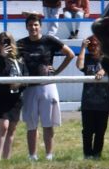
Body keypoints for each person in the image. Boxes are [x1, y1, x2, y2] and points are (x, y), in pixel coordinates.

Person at [16, 11, 73, 160]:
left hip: (47, 85)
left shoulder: (49, 40)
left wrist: (57, 71)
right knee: (31, 124)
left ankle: (49, 154)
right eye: (30, 25)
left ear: (40, 27)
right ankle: (32, 155)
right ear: (26, 27)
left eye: (35, 25)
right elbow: (10, 60)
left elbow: (70, 54)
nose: (33, 27)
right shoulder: (21, 44)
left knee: (48, 123)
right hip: (29, 87)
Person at [0, 31, 24, 159]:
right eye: (2, 41)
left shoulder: (19, 59)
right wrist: (2, 57)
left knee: (11, 130)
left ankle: (7, 159)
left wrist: (19, 85)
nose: (5, 43)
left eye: (8, 40)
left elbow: (26, 75)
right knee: (3, 127)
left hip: (15, 98)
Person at [79, 34, 109, 157]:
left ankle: (97, 154)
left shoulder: (107, 59)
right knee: (87, 131)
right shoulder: (87, 58)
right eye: (90, 45)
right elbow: (79, 66)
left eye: (95, 45)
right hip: (88, 102)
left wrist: (103, 69)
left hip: (104, 102)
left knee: (100, 131)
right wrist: (83, 48)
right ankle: (87, 154)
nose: (93, 48)